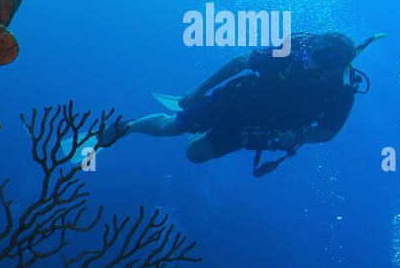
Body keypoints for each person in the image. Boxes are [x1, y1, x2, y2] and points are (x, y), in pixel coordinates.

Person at [103, 32, 377, 176]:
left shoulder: (343, 90)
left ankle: (199, 132)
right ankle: (127, 126)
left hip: (263, 129)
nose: (312, 64)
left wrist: (297, 136)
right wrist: (199, 90)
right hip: (239, 100)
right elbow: (240, 62)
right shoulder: (290, 54)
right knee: (171, 128)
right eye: (314, 55)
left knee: (196, 155)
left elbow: (328, 132)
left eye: (325, 61)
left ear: (340, 65)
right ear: (312, 46)